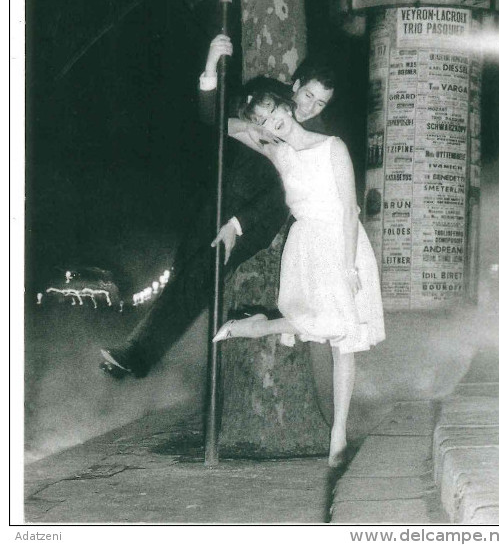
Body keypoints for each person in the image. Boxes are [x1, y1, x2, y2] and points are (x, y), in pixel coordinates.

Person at [100, 36, 335, 379]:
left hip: (252, 220)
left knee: (198, 278)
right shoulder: (267, 96)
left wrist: (237, 225)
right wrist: (211, 65)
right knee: (182, 276)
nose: (311, 108)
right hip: (220, 199)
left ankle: (137, 357)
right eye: (308, 96)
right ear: (294, 86)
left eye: (321, 104)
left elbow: (284, 193)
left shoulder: (314, 136)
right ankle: (141, 354)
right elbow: (213, 116)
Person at [212, 86, 385, 468]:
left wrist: (350, 265)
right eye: (264, 119)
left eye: (275, 110)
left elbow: (348, 210)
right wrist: (255, 120)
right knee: (324, 323)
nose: (272, 121)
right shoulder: (277, 151)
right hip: (306, 244)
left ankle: (338, 433)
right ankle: (257, 326)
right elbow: (225, 126)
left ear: (289, 106)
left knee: (345, 338)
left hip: (342, 243)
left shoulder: (332, 147)